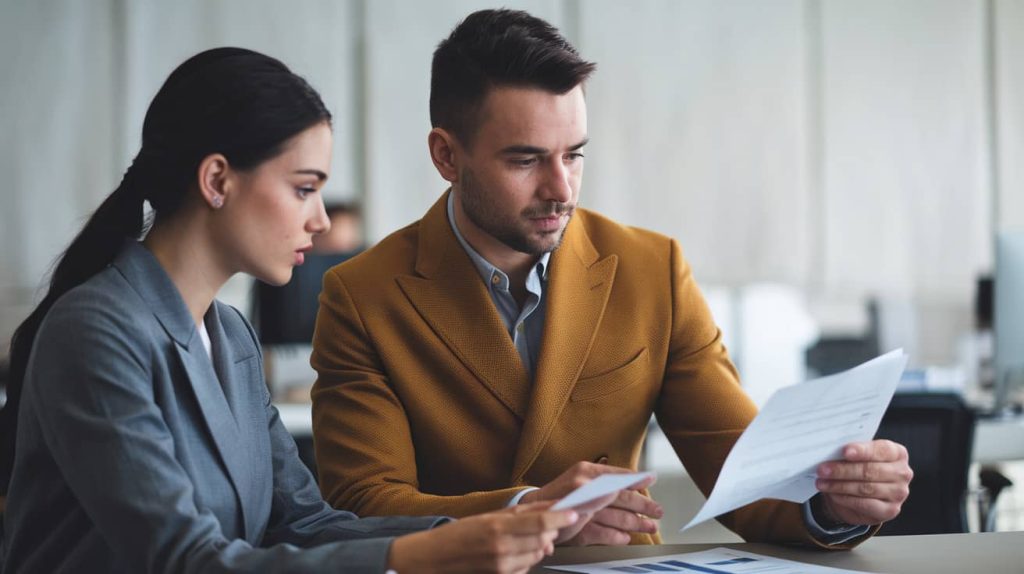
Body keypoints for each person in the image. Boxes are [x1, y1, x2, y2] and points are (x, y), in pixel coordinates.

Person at [310, 9, 913, 548]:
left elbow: (744, 476)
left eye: (573, 154)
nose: (561, 188)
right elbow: (363, 506)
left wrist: (832, 503)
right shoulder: (363, 295)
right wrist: (529, 511)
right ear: (446, 155)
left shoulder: (653, 271)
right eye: (525, 160)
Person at [0, 47, 583, 573]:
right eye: (304, 189)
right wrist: (423, 554)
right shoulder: (95, 331)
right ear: (217, 180)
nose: (321, 222)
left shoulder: (230, 337)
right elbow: (184, 559)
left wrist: (501, 525)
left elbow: (303, 523)